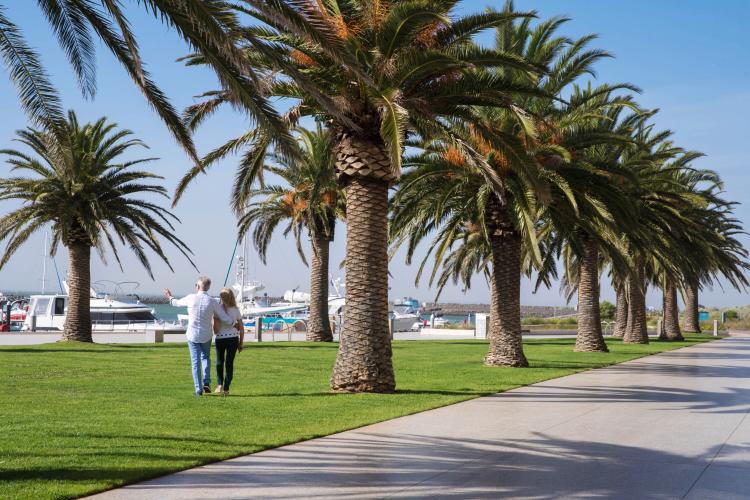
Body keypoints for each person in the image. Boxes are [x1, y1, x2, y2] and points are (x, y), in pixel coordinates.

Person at [164, 276, 234, 396]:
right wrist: (234, 323)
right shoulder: (212, 301)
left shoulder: (191, 298)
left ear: (197, 286)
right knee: (205, 357)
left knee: (195, 362)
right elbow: (224, 317)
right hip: (206, 334)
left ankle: (198, 389)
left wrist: (169, 296)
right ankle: (206, 381)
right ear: (208, 287)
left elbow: (175, 303)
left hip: (192, 335)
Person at [213, 287, 245, 396]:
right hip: (233, 339)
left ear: (221, 297)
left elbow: (215, 329)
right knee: (229, 363)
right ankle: (226, 387)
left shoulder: (218, 310)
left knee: (219, 362)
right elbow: (241, 328)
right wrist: (241, 343)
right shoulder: (236, 310)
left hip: (220, 339)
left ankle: (219, 384)